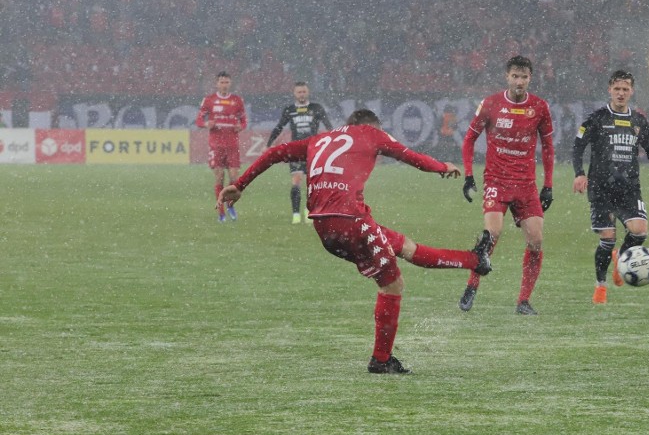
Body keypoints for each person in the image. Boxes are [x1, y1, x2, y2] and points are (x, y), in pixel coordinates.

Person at [219, 109, 494, 374]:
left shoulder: (319, 139)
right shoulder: (371, 134)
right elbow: (410, 156)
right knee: (392, 283)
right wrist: (441, 166)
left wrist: (241, 184)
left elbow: (274, 152)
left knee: (404, 247)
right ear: (373, 126)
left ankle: (474, 259)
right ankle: (381, 360)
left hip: (324, 226)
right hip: (351, 220)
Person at [459, 55, 555, 316]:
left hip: (526, 185)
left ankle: (523, 301)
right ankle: (472, 284)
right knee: (492, 235)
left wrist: (548, 185)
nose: (519, 81)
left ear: (530, 78)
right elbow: (469, 140)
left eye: (524, 77)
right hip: (497, 181)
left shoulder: (540, 107)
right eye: (515, 76)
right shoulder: (491, 104)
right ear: (507, 76)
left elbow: (547, 148)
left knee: (536, 241)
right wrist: (469, 175)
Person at [572, 70, 649, 304]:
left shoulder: (638, 121)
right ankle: (600, 286)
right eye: (617, 89)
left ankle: (621, 261)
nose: (621, 93)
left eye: (625, 89)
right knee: (607, 238)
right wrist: (579, 174)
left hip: (629, 189)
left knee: (640, 231)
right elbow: (578, 146)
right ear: (610, 90)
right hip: (601, 188)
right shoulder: (596, 118)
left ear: (631, 92)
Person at [266, 81, 333, 224]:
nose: (301, 95)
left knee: (312, 183)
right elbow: (279, 127)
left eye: (303, 92)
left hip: (313, 150)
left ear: (307, 92)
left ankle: (309, 211)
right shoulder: (289, 110)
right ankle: (296, 214)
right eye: (299, 92)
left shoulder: (316, 108)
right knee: (296, 181)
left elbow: (328, 126)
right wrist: (269, 144)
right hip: (295, 150)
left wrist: (333, 141)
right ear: (294, 94)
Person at [196, 71, 248, 223]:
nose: (224, 85)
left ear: (230, 83)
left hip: (232, 145)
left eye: (226, 82)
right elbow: (199, 120)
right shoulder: (209, 100)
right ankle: (221, 213)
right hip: (216, 145)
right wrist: (206, 124)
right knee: (219, 178)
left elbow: (244, 120)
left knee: (234, 179)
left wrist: (241, 126)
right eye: (221, 82)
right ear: (217, 83)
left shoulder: (237, 100)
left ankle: (230, 205)